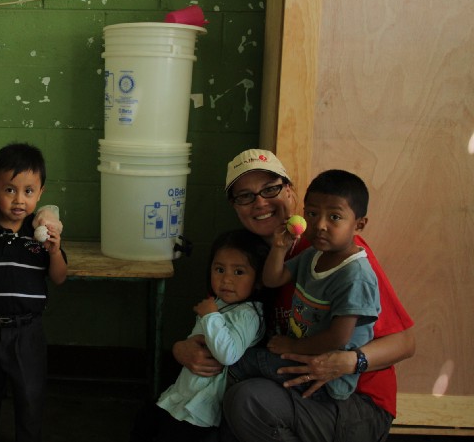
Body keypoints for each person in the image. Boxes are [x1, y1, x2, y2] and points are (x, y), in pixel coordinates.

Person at [172, 149, 414, 441]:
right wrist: (181, 349)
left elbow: (405, 343)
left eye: (270, 189)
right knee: (228, 394)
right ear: (235, 206)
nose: (260, 202)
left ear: (290, 192)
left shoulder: (335, 254)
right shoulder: (242, 258)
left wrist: (349, 361)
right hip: (295, 386)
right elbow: (218, 321)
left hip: (356, 402)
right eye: (245, 196)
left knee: (247, 399)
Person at [230, 169, 380, 402]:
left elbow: (339, 337)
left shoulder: (355, 274)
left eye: (335, 217)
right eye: (312, 213)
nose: (320, 225)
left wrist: (293, 345)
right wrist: (279, 248)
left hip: (327, 375)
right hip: (302, 355)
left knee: (241, 364)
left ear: (359, 224)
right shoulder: (314, 254)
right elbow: (273, 279)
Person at [0, 142, 67, 442]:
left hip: (27, 332)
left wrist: (55, 251)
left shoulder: (41, 233)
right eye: (10, 190)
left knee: (30, 401)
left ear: (41, 192)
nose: (19, 200)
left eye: (28, 191)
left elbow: (59, 278)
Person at [130, 229, 267, 442]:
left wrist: (211, 316)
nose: (227, 280)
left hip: (200, 408)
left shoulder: (248, 314)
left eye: (239, 272)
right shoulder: (220, 304)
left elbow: (228, 354)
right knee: (145, 421)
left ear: (258, 280)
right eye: (219, 269)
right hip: (185, 394)